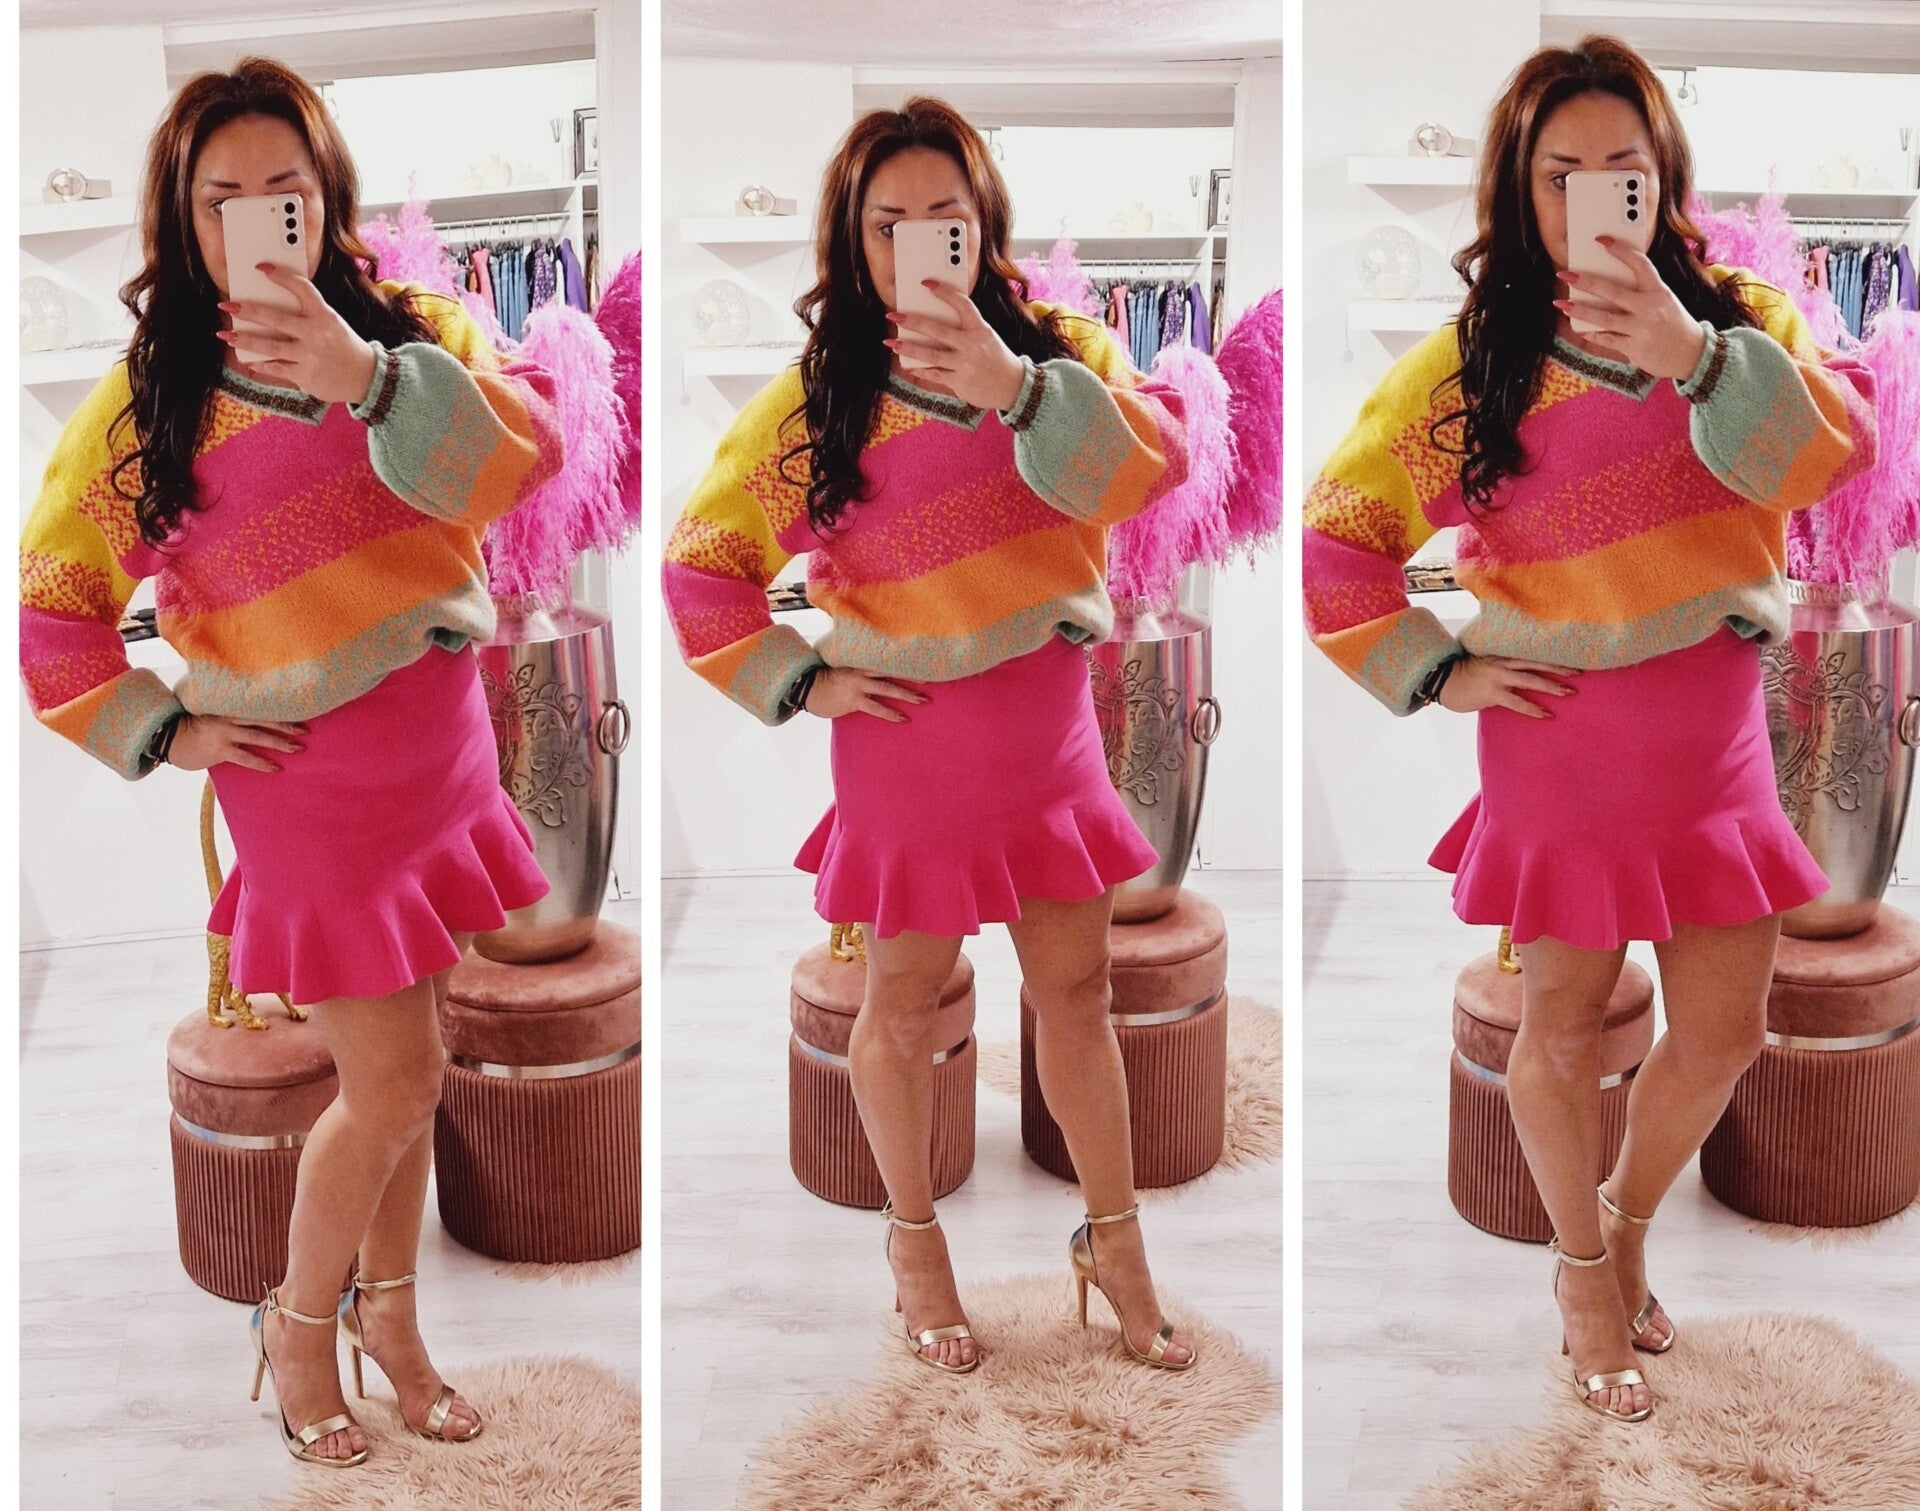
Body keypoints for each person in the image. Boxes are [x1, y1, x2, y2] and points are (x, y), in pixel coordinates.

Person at [1304, 36, 1876, 1422]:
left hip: (1713, 733)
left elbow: (1831, 457)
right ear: (1522, 188)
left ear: (1663, 177)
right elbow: (1337, 540)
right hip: (1557, 741)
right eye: (1562, 172)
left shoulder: (1743, 320)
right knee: (1559, 1029)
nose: (1594, 194)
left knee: (1725, 1029)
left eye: (1624, 166)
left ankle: (1619, 1223)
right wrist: (1440, 671)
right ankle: (1579, 1278)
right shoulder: (1473, 367)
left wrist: (1696, 356)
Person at [19, 58, 564, 1466]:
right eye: (225, 199)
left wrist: (366, 379)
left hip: (441, 755)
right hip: (305, 784)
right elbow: (54, 609)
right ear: (182, 219)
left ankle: (393, 1325)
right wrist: (165, 724)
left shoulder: (419, 331)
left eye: (287, 191)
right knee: (392, 1083)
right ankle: (299, 1323)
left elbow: (524, 465)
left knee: (409, 1072)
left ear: (327, 200)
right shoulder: (148, 405)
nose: (261, 219)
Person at [664, 97, 1199, 1376]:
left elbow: (1154, 469)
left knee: (1077, 993)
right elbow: (700, 566)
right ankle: (916, 1250)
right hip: (904, 748)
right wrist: (803, 682)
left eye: (943, 217)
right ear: (854, 243)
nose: (918, 242)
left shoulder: (1064, 353)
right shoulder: (822, 400)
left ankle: (1116, 1242)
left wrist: (1015, 388)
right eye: (887, 223)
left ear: (984, 222)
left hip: (1046, 733)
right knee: (902, 1002)